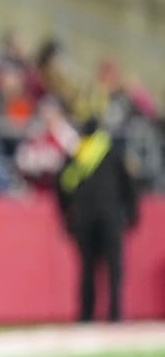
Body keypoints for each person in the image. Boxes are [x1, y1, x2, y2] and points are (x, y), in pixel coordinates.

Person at [57, 117, 139, 322]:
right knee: (113, 267)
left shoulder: (76, 153)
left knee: (87, 267)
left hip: (84, 217)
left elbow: (61, 187)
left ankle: (86, 314)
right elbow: (128, 186)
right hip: (109, 216)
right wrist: (132, 214)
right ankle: (114, 313)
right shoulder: (112, 151)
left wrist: (66, 215)